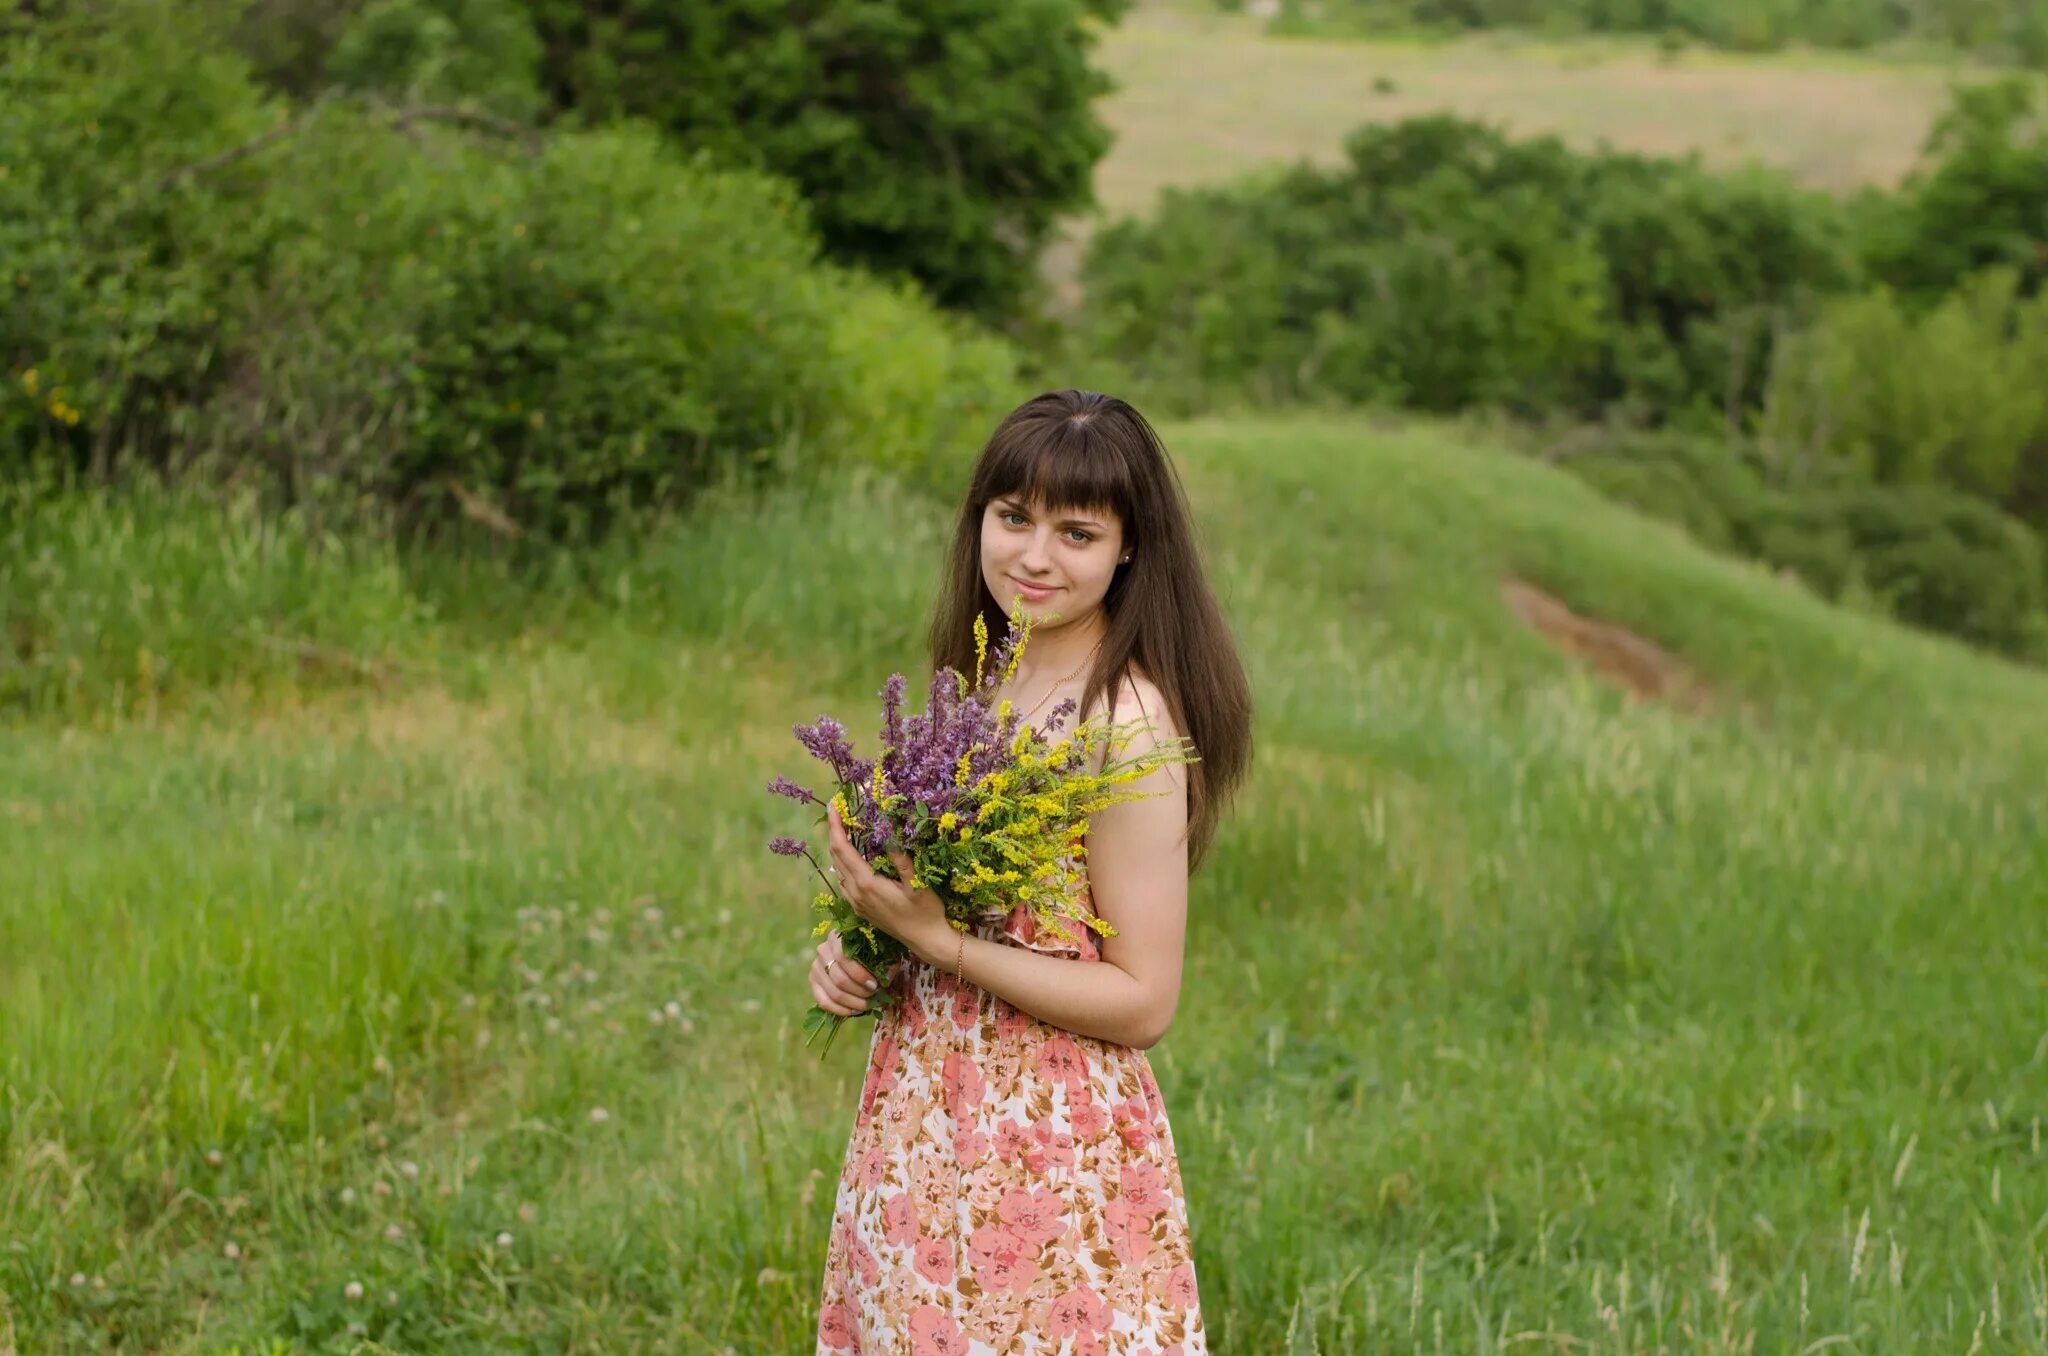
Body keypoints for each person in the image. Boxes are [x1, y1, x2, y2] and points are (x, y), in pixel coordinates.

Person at [809, 389, 1254, 1354]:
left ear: (1129, 548)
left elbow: (1145, 1000)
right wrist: (864, 950)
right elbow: (959, 896)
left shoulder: (1124, 721)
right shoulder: (989, 673)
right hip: (926, 1116)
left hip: (1046, 1145)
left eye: (1076, 532)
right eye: (1013, 519)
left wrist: (939, 940)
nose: (1035, 556)